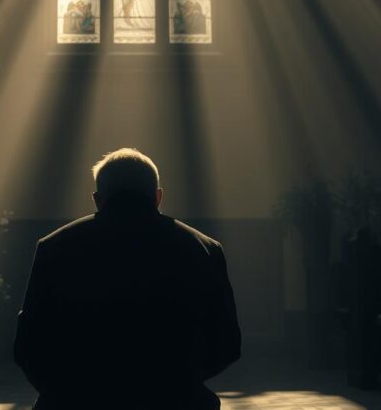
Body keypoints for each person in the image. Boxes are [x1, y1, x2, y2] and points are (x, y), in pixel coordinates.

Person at [14, 148, 241, 410]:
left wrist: (66, 390)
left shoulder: (54, 246)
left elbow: (27, 344)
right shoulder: (204, 248)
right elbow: (227, 344)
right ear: (158, 197)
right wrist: (179, 382)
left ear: (98, 199)